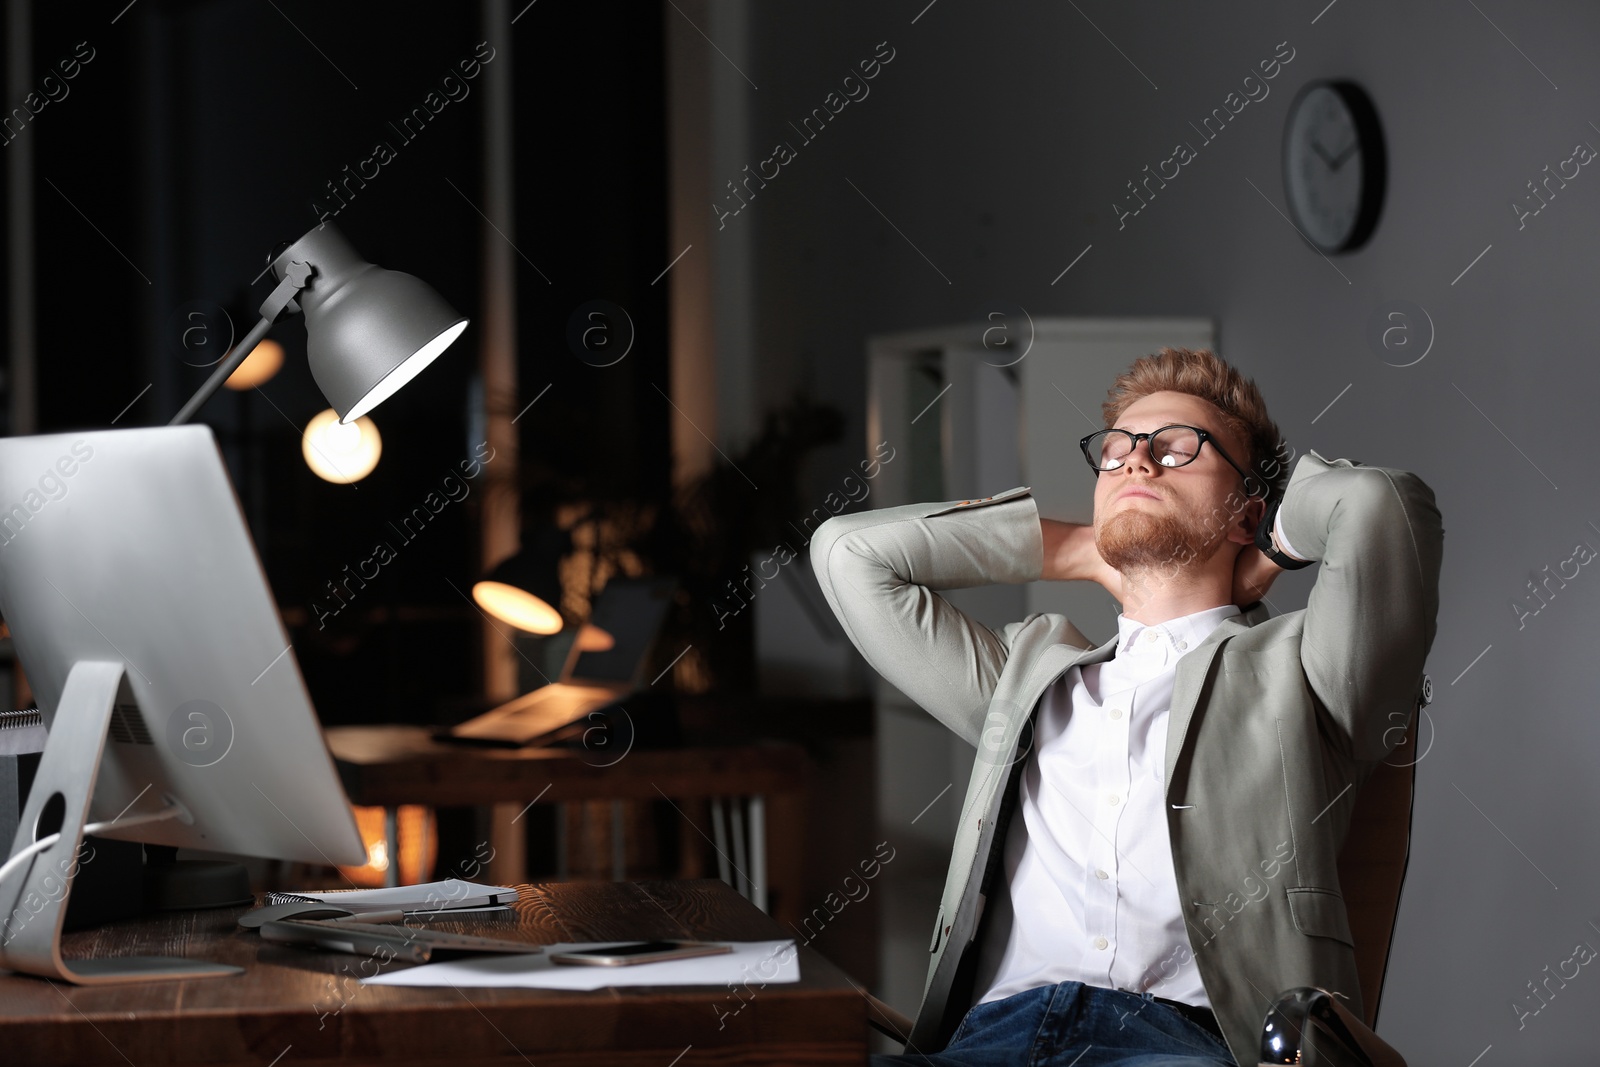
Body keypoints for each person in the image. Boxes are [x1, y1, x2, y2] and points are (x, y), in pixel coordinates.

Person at [809, 347, 1443, 1066]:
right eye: (1115, 453)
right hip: (989, 1041)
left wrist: (1271, 548)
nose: (1137, 462)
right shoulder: (1023, 681)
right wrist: (1079, 548)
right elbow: (844, 553)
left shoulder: (1305, 676)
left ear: (1246, 510)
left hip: (1182, 1045)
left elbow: (1383, 506)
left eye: (1177, 449)